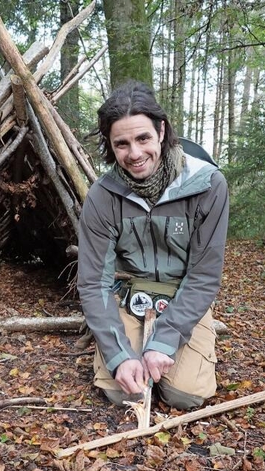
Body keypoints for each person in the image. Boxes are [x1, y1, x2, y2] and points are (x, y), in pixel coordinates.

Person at [77, 81, 229, 410]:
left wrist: (167, 338)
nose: (134, 153)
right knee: (124, 392)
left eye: (143, 138)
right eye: (122, 144)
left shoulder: (208, 185)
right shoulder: (102, 197)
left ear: (161, 131)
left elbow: (204, 275)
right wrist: (119, 356)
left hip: (185, 293)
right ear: (111, 146)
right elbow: (94, 282)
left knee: (186, 395)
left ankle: (186, 344)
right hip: (128, 293)